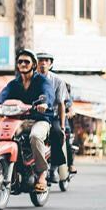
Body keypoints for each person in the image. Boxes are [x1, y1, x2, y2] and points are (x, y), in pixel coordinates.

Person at [0, 48, 54, 192]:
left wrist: (44, 104)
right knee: (0, 136)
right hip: (19, 120)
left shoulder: (41, 80)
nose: (23, 64)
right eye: (20, 61)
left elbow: (47, 94)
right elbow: (3, 95)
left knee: (35, 136)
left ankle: (41, 174)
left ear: (33, 64)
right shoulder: (14, 83)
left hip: (39, 119)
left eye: (26, 61)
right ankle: (7, 168)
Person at [36, 50, 71, 180]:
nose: (43, 63)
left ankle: (54, 168)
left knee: (57, 134)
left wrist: (62, 126)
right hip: (33, 116)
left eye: (46, 61)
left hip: (52, 116)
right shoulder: (30, 78)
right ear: (36, 63)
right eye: (40, 60)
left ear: (50, 64)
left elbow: (61, 104)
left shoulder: (58, 81)